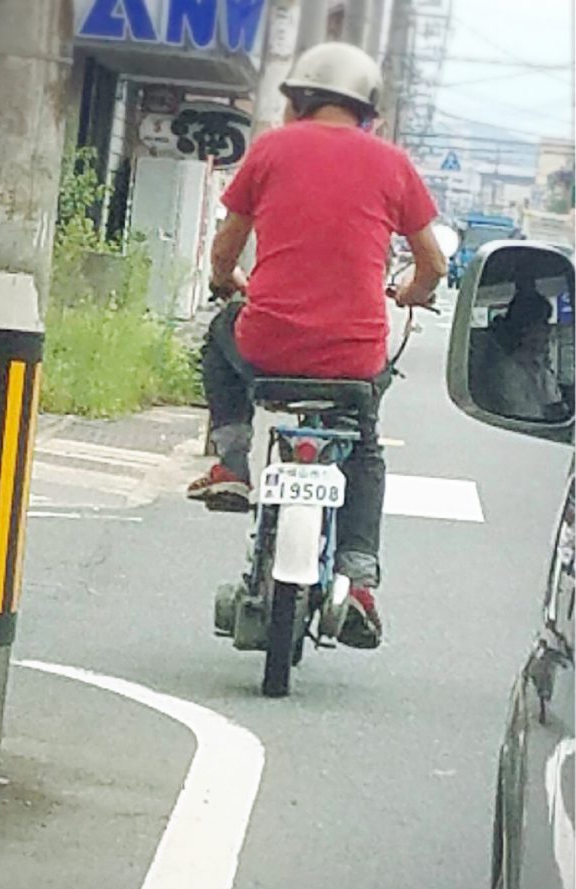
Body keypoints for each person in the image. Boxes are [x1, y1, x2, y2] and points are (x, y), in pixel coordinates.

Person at [186, 42, 447, 649]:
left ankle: (231, 462)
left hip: (267, 345)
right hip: (352, 358)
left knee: (218, 338)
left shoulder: (272, 149)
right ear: (367, 111)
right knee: (365, 446)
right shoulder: (393, 164)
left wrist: (230, 283)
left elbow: (225, 250)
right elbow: (431, 262)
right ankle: (357, 578)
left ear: (298, 100)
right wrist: (410, 291)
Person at [488, 291, 567, 421]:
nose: (549, 330)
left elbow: (558, 404)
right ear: (526, 330)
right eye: (543, 323)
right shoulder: (506, 373)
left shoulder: (541, 367)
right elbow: (528, 418)